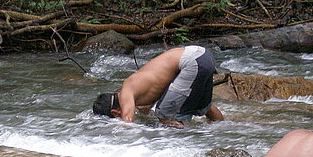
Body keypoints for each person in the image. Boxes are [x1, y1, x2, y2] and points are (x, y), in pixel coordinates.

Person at [92, 46, 224, 127]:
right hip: (202, 54)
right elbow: (154, 96)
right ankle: (223, 129)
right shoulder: (135, 87)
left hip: (192, 62)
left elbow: (128, 122)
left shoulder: (126, 93)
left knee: (165, 115)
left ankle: (182, 148)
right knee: (203, 106)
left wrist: (112, 139)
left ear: (115, 112)